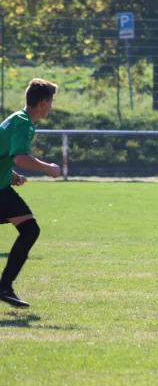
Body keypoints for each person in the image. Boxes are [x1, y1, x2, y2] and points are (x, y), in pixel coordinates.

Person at [0, 79, 61, 307]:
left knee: (29, 229)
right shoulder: (24, 123)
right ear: (43, 103)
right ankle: (4, 286)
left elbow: (5, 152)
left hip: (2, 185)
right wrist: (49, 168)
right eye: (51, 101)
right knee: (29, 229)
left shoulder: (17, 118)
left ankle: (4, 286)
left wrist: (11, 173)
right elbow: (20, 156)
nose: (52, 106)